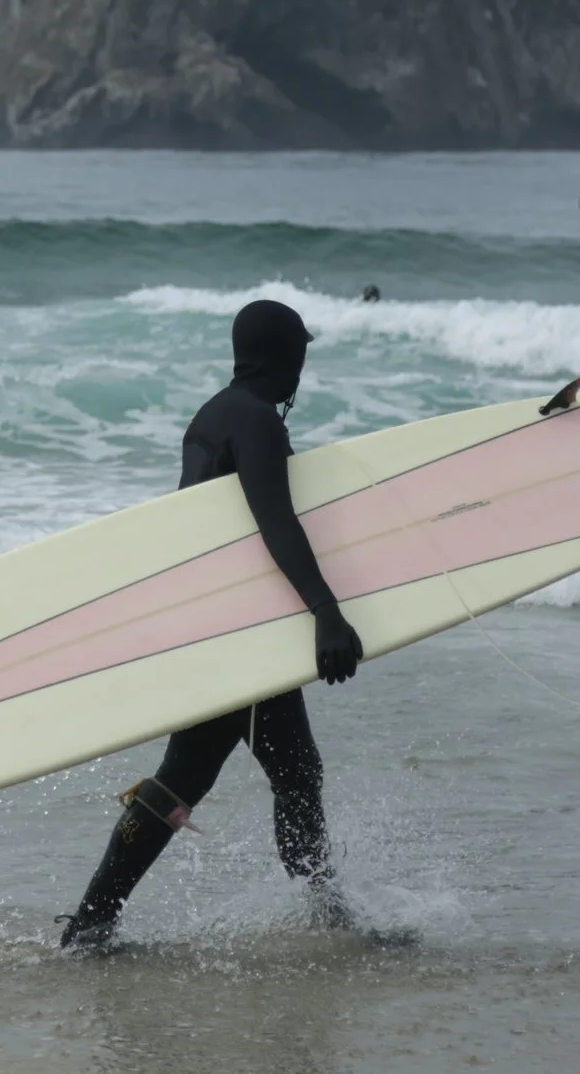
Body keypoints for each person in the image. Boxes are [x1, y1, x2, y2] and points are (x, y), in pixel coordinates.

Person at [58, 299, 363, 950]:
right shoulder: (256, 422)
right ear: (285, 357)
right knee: (189, 776)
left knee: (291, 773)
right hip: (232, 639)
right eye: (299, 356)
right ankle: (90, 924)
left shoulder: (213, 414)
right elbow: (274, 522)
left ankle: (332, 920)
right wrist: (326, 611)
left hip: (220, 626)